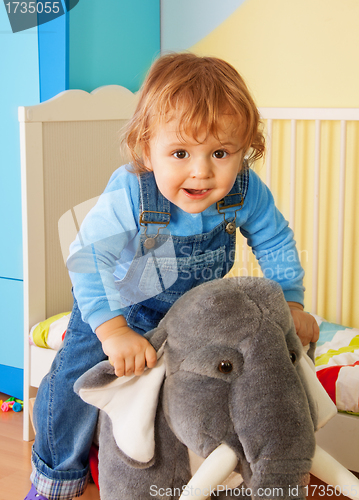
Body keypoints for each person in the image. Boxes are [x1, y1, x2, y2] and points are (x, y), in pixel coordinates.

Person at [25, 52, 319, 500]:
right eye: (180, 152)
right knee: (76, 378)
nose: (201, 171)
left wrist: (292, 304)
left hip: (188, 314)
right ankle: (57, 478)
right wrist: (113, 332)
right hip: (115, 304)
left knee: (239, 369)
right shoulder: (130, 190)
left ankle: (198, 472)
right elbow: (87, 259)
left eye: (221, 152)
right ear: (147, 148)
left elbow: (274, 241)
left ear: (245, 149)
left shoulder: (244, 190)